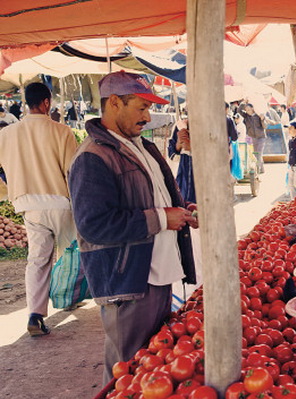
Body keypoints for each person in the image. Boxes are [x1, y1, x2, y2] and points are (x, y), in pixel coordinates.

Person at [68, 71, 197, 382]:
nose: (147, 117)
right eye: (141, 108)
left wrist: (182, 208)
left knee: (152, 364)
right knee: (126, 369)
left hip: (157, 273)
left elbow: (155, 194)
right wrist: (163, 218)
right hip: (128, 281)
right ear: (114, 103)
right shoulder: (92, 157)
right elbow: (94, 225)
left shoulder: (143, 145)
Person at [0, 83, 79, 336]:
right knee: (74, 254)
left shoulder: (6, 134)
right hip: (60, 202)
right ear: (46, 103)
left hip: (28, 205)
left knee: (37, 260)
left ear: (26, 103)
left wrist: (6, 192)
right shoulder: (62, 131)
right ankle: (71, 298)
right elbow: (73, 172)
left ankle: (35, 314)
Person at [168, 113, 237, 204]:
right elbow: (172, 156)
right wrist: (178, 144)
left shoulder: (216, 126)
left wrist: (194, 149)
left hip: (209, 187)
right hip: (184, 184)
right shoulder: (180, 127)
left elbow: (223, 158)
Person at [238, 102, 266, 173]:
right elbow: (239, 111)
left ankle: (258, 170)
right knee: (256, 154)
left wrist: (262, 120)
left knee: (258, 153)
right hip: (252, 138)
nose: (248, 111)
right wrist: (244, 103)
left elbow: (265, 126)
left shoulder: (258, 116)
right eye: (246, 110)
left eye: (249, 109)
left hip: (261, 137)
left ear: (253, 109)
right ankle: (261, 169)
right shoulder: (246, 116)